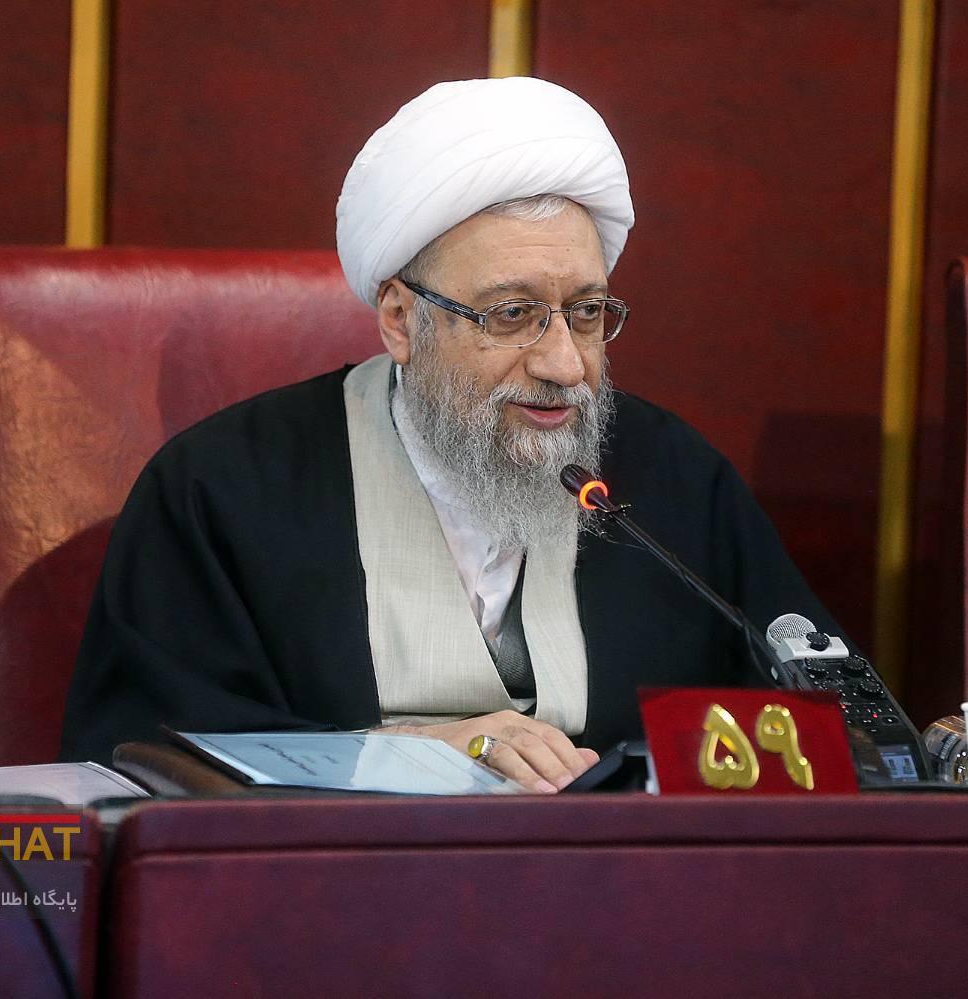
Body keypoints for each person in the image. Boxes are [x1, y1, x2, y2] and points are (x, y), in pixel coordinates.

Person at [60, 77, 844, 791]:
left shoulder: (673, 481)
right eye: (512, 314)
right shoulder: (224, 490)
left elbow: (820, 738)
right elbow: (145, 757)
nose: (565, 363)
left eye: (585, 312)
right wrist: (407, 752)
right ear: (401, 320)